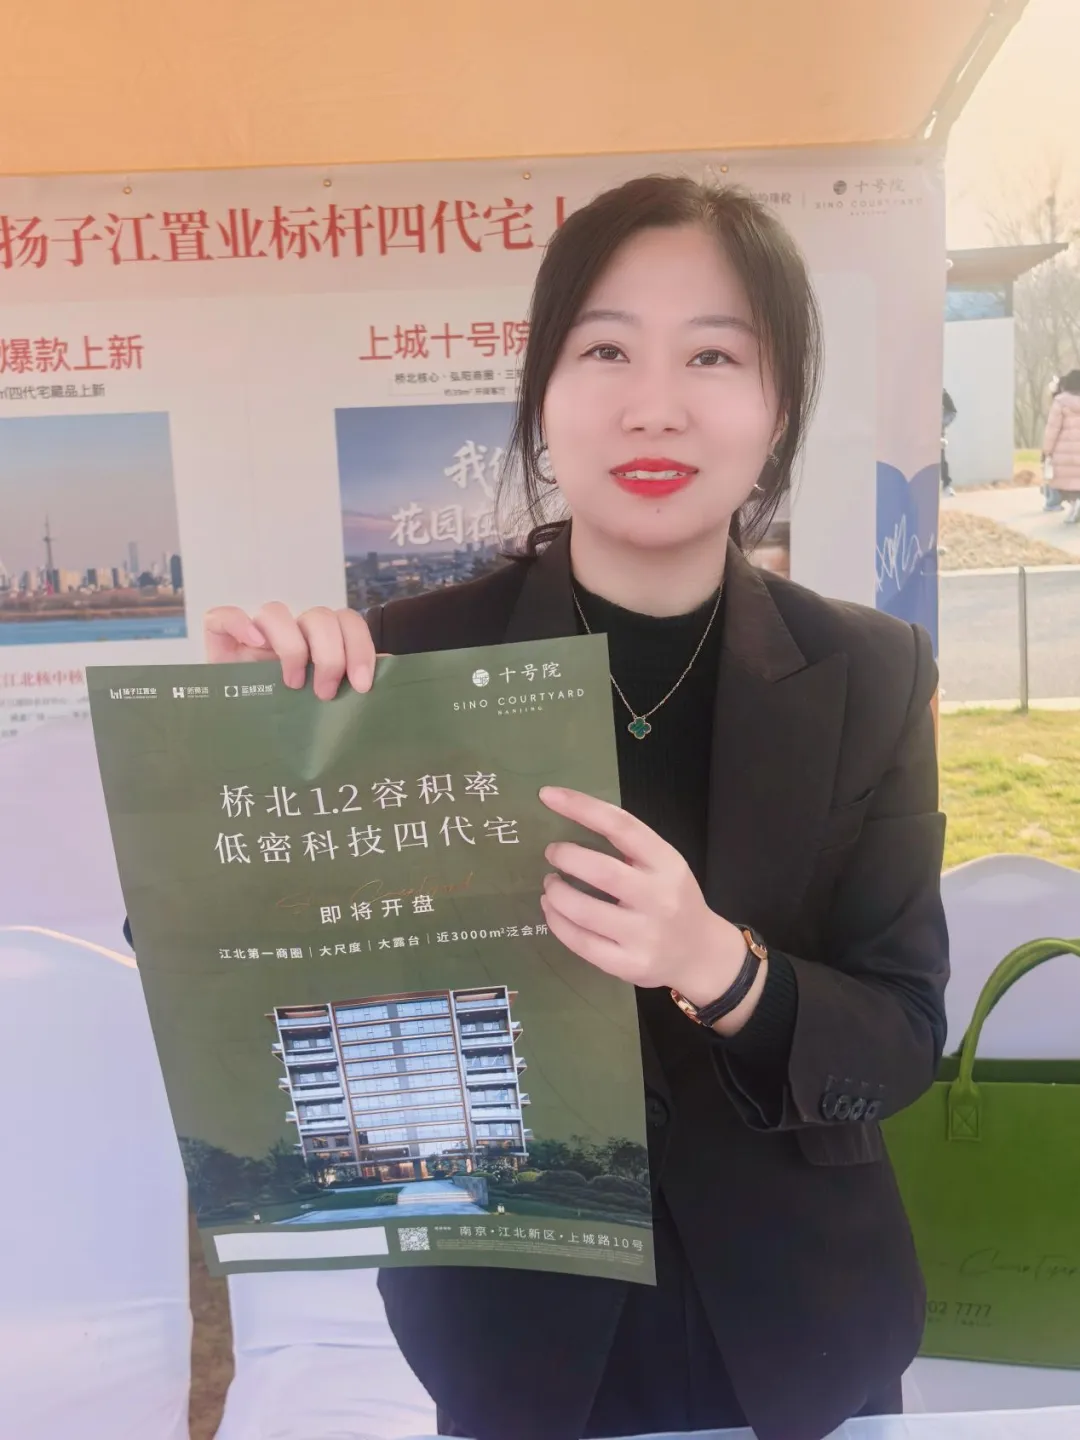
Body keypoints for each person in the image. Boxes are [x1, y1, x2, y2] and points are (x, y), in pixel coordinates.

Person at [203, 178, 949, 1440]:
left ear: (777, 409)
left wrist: (716, 965)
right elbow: (233, 989)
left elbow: (901, 1037)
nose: (654, 403)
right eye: (605, 350)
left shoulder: (869, 672)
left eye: (714, 355)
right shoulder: (405, 661)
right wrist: (243, 763)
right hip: (516, 1337)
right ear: (543, 394)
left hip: (807, 1333)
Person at [1043, 369, 1080, 524]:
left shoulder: (1060, 402)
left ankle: (1075, 505)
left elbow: (1052, 429)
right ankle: (1076, 506)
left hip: (1065, 452)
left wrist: (1047, 451)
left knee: (1066, 484)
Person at [941, 388, 957, 496]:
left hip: (934, 432)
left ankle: (946, 485)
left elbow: (951, 411)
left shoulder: (939, 390)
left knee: (940, 457)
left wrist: (940, 423)